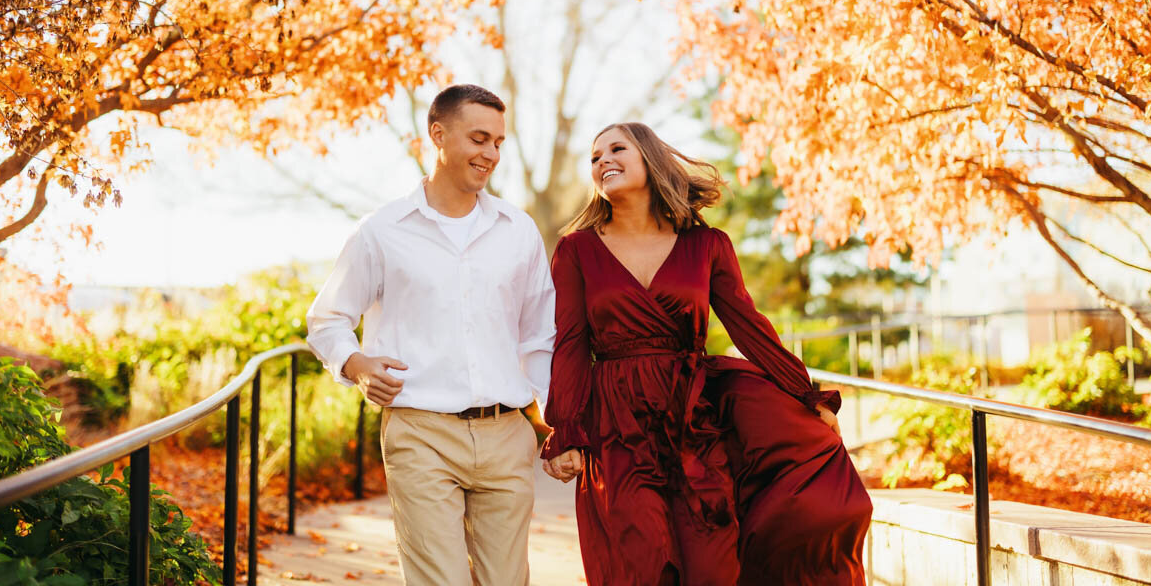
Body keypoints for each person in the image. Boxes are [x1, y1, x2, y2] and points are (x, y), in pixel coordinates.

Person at [540, 122, 872, 585]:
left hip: (693, 422)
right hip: (617, 426)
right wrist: (567, 428)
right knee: (638, 562)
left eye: (616, 149)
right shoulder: (576, 250)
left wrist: (805, 394)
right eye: (595, 157)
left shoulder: (707, 245)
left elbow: (749, 327)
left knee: (712, 562)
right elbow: (570, 343)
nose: (602, 161)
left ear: (650, 160)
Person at [306, 84, 556, 586]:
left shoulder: (518, 230)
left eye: (498, 143)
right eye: (479, 138)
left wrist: (554, 424)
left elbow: (539, 337)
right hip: (420, 433)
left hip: (507, 434)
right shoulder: (382, 229)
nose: (490, 154)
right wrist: (357, 366)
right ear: (437, 134)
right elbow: (328, 319)